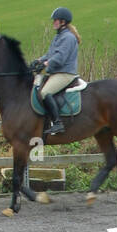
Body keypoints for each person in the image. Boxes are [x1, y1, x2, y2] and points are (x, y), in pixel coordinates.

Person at [30, 8, 81, 136]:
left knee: (45, 92)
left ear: (63, 22)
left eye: (55, 20)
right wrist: (38, 60)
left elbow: (60, 58)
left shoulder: (68, 38)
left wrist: (45, 64)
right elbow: (50, 54)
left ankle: (58, 123)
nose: (53, 22)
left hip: (65, 73)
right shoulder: (59, 36)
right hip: (56, 72)